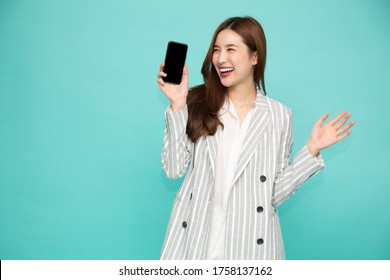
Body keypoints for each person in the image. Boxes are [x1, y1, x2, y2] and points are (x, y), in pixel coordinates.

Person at [157, 16, 355, 260]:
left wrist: (312, 149)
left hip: (251, 248)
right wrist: (178, 104)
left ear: (254, 57)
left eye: (231, 49)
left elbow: (274, 195)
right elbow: (174, 169)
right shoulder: (196, 102)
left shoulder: (279, 115)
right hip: (195, 244)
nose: (220, 59)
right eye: (217, 50)